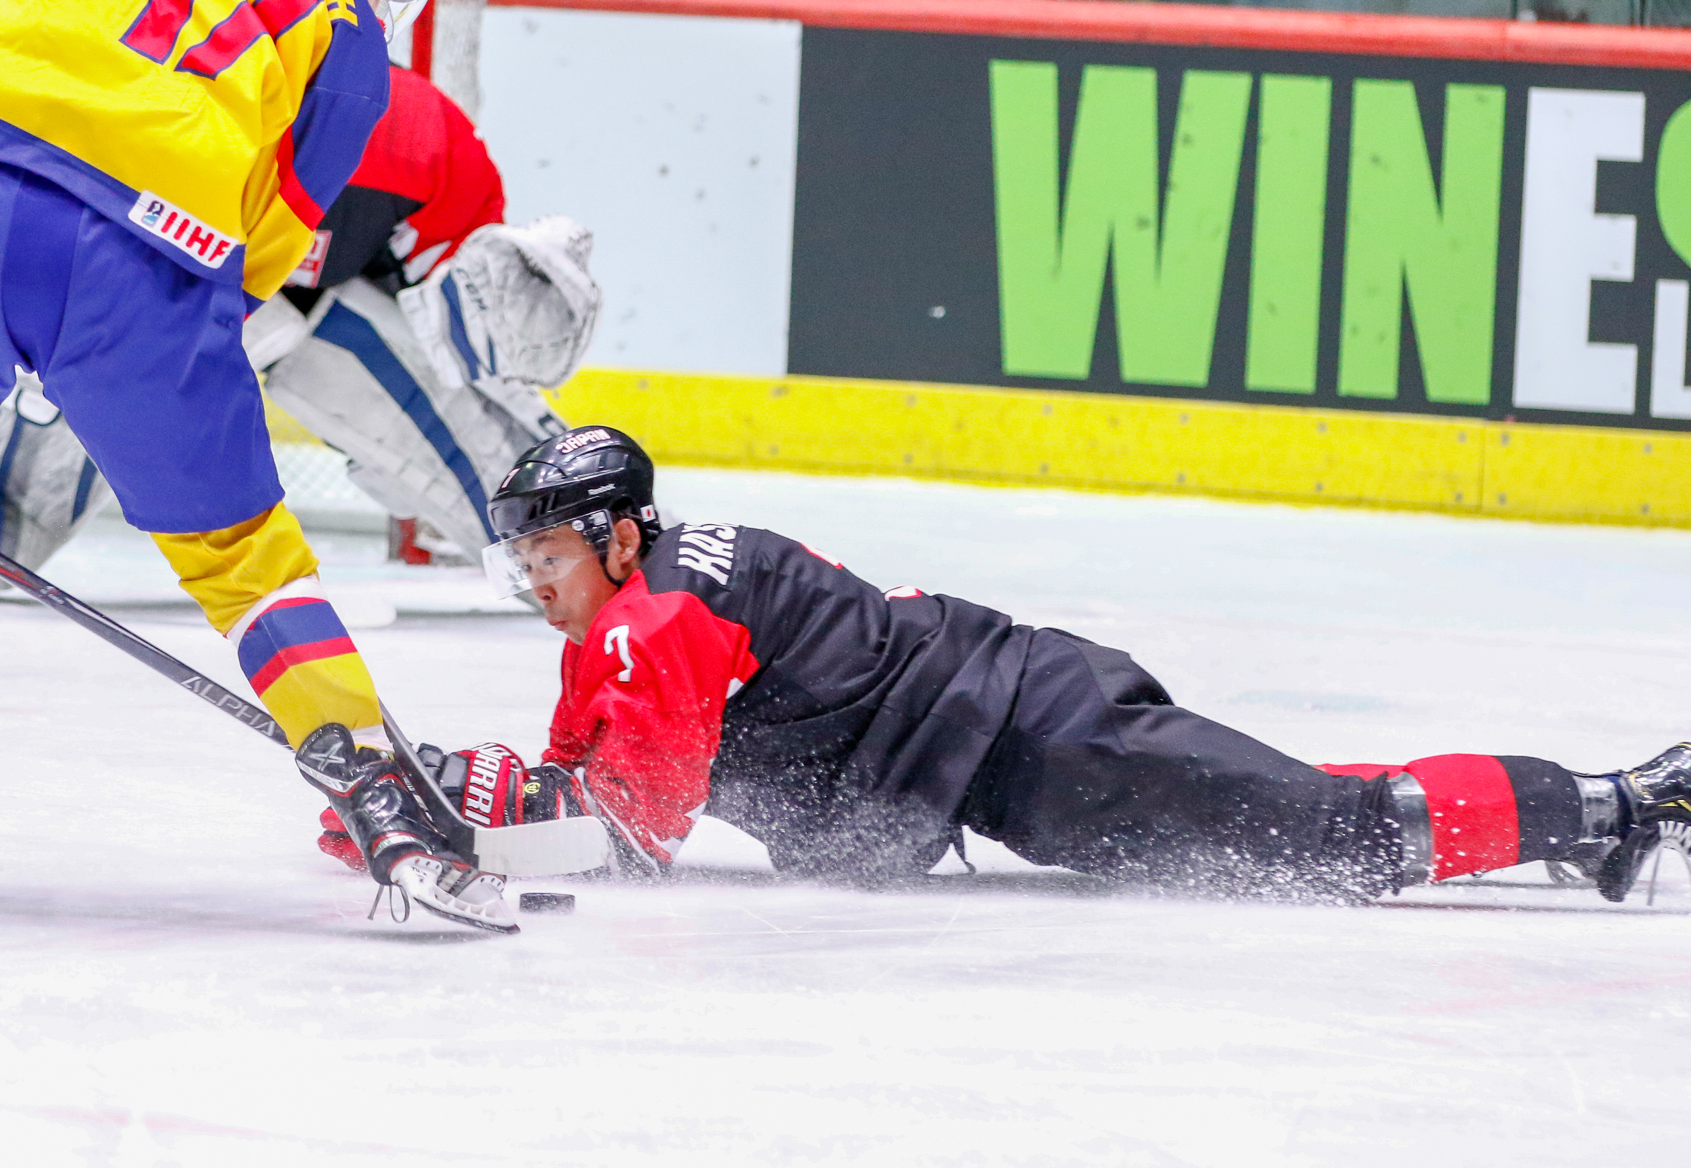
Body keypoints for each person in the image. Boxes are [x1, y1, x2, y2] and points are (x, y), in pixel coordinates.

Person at [0, 0, 508, 931]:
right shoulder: (350, 60)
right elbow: (270, 248)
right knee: (246, 561)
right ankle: (371, 790)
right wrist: (120, 346)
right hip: (137, 271)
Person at [325, 425, 1691, 905]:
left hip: (1030, 736)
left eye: (549, 552)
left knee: (1337, 833)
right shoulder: (631, 607)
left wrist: (456, 801)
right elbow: (590, 779)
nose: (533, 580)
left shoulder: (653, 620)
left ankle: (1624, 803)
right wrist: (450, 796)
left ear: (619, 535)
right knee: (1311, 821)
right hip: (1007, 745)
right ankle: (1575, 823)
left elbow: (629, 840)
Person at [0, 61, 596, 591]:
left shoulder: (427, 145)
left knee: (450, 409)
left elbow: (441, 310)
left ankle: (582, 538)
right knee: (99, 373)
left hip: (311, 298)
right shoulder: (209, 101)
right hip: (176, 275)